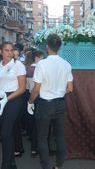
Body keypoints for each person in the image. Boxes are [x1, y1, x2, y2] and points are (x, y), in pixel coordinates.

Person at [28, 34, 74, 169]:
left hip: (45, 105)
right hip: (60, 103)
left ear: (47, 47)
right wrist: (59, 92)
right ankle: (59, 165)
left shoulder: (42, 64)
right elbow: (70, 88)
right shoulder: (66, 64)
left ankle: (46, 166)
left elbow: (36, 89)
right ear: (59, 47)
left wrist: (30, 102)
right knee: (60, 136)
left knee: (42, 137)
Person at [0, 42, 27, 169]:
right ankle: (11, 163)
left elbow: (22, 88)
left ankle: (5, 164)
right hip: (1, 99)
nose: (10, 53)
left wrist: (8, 98)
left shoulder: (18, 66)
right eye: (7, 50)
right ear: (1, 51)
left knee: (5, 132)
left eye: (11, 50)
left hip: (15, 98)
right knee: (8, 131)